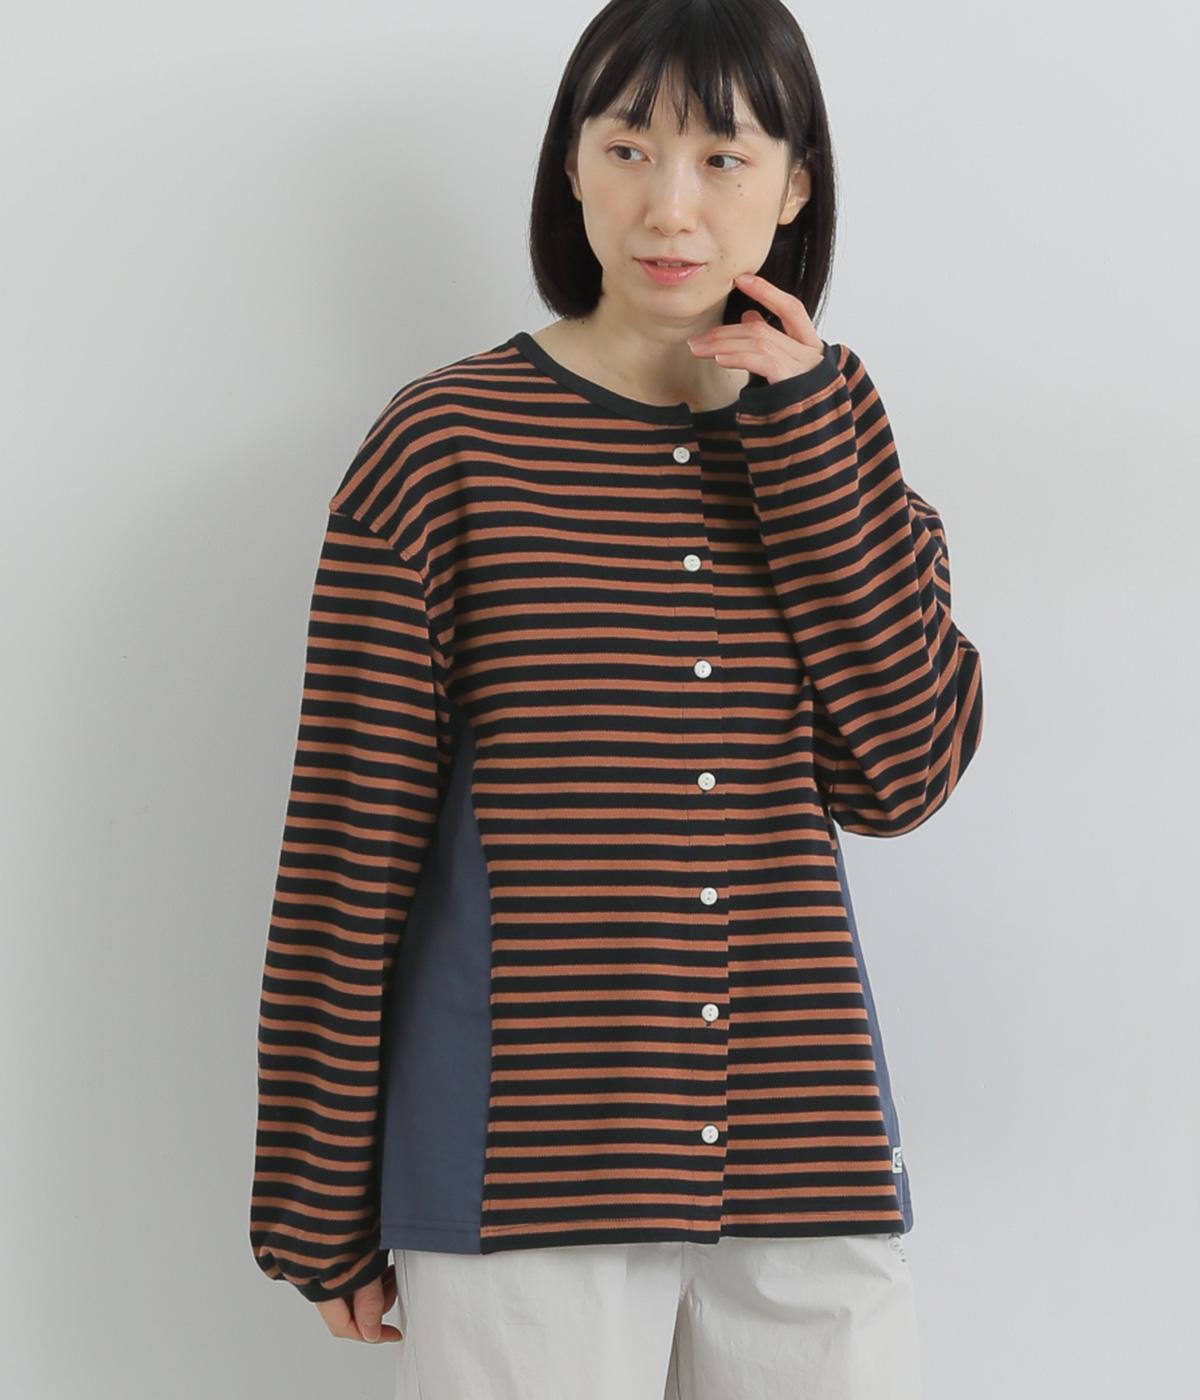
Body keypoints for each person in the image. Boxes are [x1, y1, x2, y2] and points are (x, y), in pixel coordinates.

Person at [248, 1, 984, 1395]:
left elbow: (904, 776)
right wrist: (318, 1193)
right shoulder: (443, 447)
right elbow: (351, 841)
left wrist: (803, 444)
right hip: (525, 1173)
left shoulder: (839, 437)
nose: (670, 206)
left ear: (796, 184)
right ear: (572, 165)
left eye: (724, 158)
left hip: (805, 1165)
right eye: (630, 148)